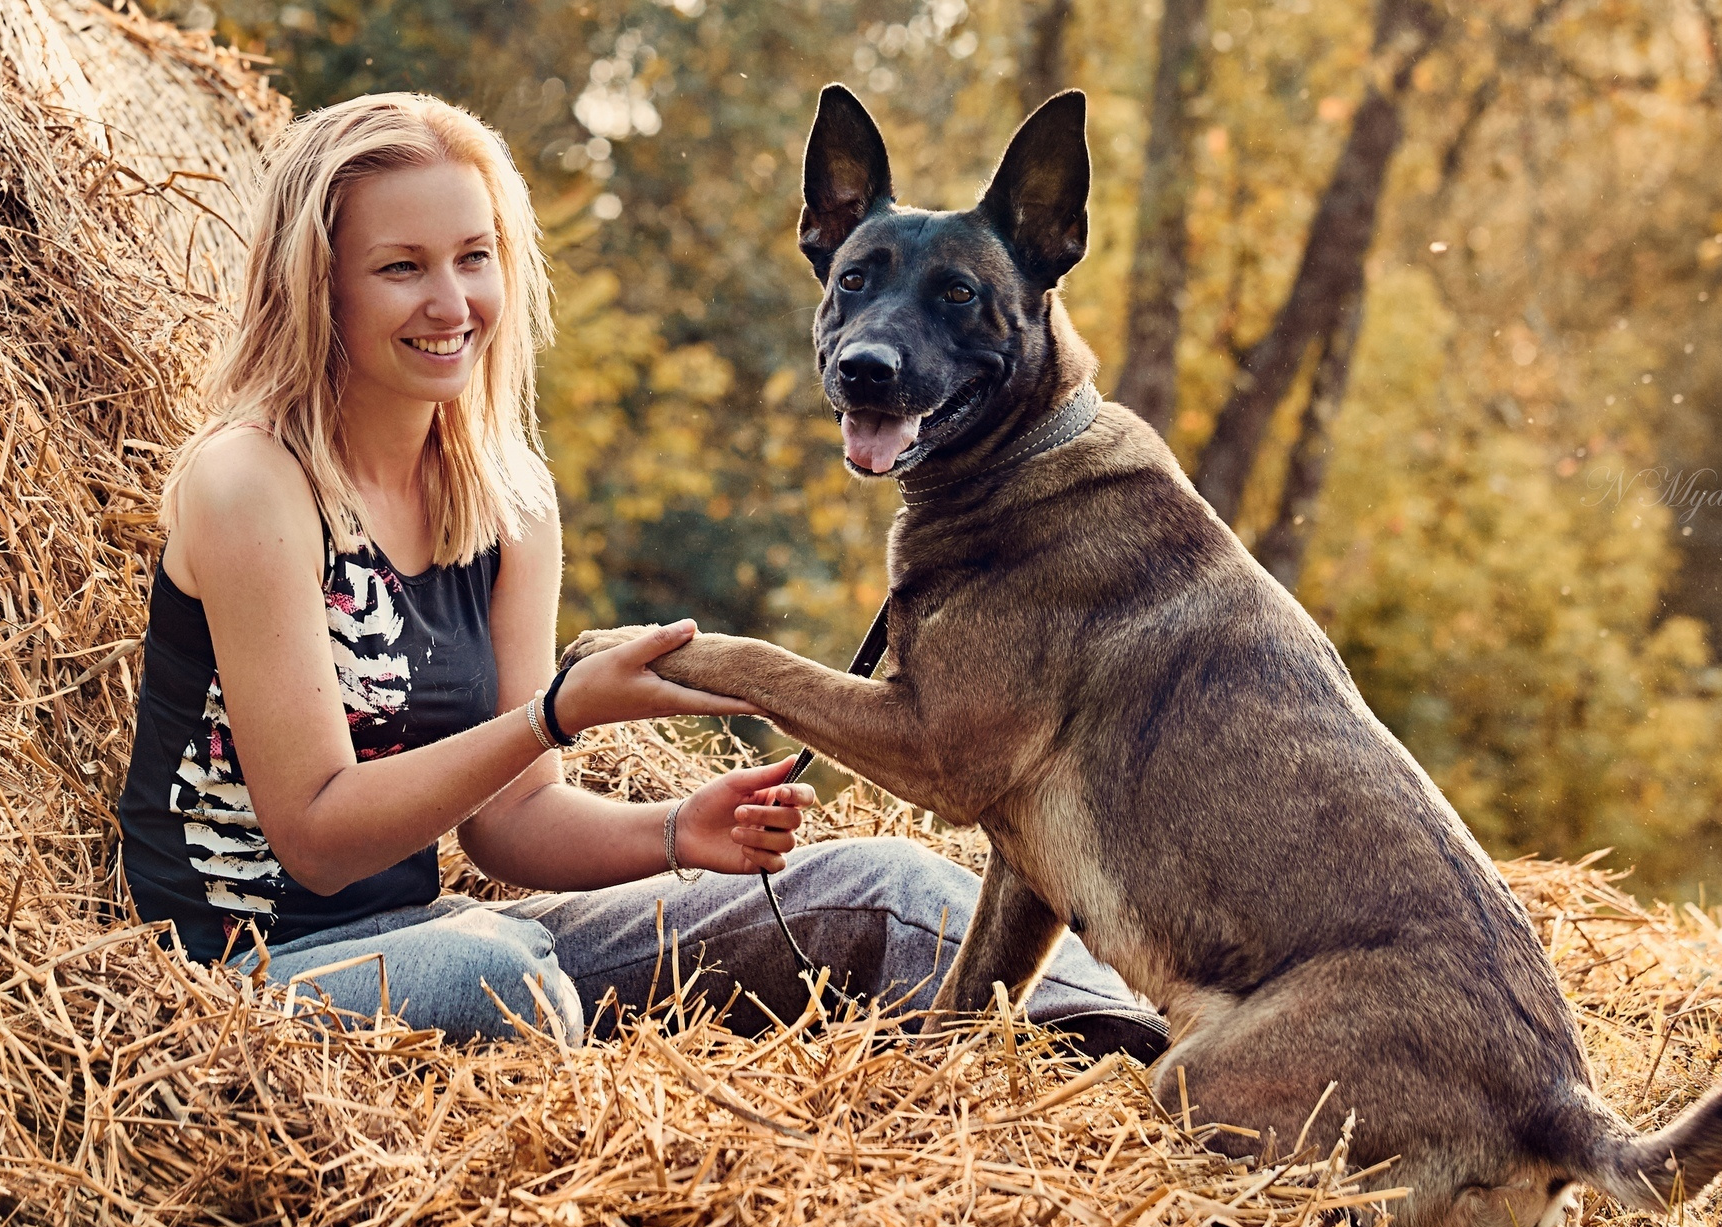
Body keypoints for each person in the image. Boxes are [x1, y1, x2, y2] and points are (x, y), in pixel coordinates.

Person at [117, 91, 1164, 1053]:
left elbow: (511, 823)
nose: (452, 302)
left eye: (474, 257)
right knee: (501, 980)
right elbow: (316, 840)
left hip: (445, 933)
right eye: (402, 267)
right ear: (320, 282)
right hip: (244, 977)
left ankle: (1145, 1076)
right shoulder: (250, 483)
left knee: (883, 887)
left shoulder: (505, 497)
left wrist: (678, 832)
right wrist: (553, 718)